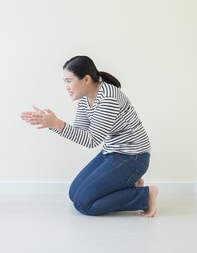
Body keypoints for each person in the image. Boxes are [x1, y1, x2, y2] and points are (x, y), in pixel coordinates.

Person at [21, 56, 158, 217]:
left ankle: (145, 196)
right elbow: (80, 131)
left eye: (69, 81)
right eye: (64, 82)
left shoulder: (108, 97)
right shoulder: (84, 99)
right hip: (111, 153)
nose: (66, 87)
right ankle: (131, 184)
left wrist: (57, 123)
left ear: (86, 79)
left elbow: (92, 140)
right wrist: (51, 124)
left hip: (133, 157)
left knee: (84, 204)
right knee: (74, 194)